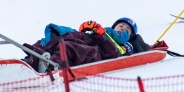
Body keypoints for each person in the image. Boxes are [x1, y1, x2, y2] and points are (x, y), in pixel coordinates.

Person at [22, 17, 156, 73]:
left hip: (97, 50)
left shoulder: (127, 45)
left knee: (71, 47)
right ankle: (31, 58)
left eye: (127, 30)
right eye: (121, 25)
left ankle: (50, 63)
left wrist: (101, 33)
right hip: (88, 39)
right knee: (62, 37)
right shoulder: (106, 30)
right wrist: (86, 29)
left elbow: (117, 52)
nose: (122, 29)